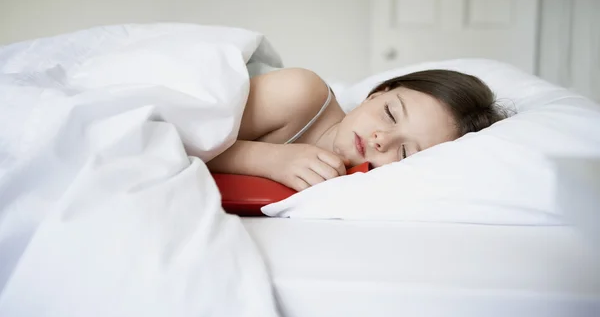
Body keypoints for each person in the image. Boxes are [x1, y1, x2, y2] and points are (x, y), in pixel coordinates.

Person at [207, 67, 507, 191]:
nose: (380, 140)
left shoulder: (363, 188)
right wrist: (271, 159)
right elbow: (178, 136)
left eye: (404, 152)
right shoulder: (299, 93)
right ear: (377, 93)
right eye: (389, 113)